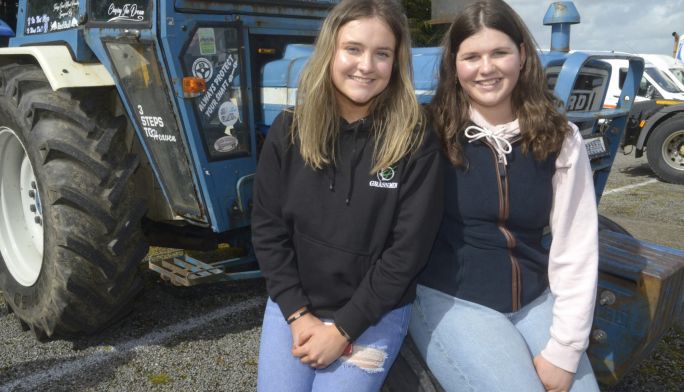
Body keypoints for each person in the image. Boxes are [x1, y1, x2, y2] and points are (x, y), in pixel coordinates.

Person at [251, 0, 443, 390]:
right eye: (353, 49)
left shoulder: (416, 139)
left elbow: (407, 252)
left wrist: (343, 329)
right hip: (295, 307)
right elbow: (268, 231)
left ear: (396, 61)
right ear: (330, 52)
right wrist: (297, 314)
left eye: (382, 54)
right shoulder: (288, 132)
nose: (366, 65)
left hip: (373, 312)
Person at [409, 1, 600, 391]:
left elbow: (575, 246)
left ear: (522, 55)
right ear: (454, 64)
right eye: (472, 56)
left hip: (534, 298)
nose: (486, 68)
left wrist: (565, 350)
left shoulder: (560, 137)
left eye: (499, 52)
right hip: (452, 299)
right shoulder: (428, 133)